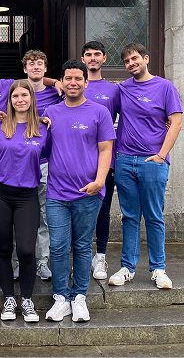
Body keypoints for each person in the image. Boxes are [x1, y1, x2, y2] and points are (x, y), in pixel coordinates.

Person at [44, 60, 115, 323]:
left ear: (86, 82)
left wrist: (99, 181)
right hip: (57, 194)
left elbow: (106, 149)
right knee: (59, 246)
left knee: (83, 246)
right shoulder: (51, 111)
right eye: (68, 78)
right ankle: (61, 297)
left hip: (88, 192)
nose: (73, 83)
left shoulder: (99, 112)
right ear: (61, 82)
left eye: (78, 78)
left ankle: (80, 297)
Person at [109, 43, 182, 289]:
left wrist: (161, 155)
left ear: (146, 58)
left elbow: (176, 122)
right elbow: (102, 111)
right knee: (129, 216)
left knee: (153, 216)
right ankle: (127, 267)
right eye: (127, 61)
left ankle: (158, 268)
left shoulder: (165, 87)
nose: (131, 63)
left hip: (153, 161)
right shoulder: (122, 90)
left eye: (135, 58)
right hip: (126, 160)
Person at [0, 80, 50, 323]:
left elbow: (50, 155)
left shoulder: (44, 128)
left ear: (31, 99)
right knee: (3, 248)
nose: (20, 99)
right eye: (16, 96)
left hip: (27, 195)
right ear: (10, 100)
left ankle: (26, 298)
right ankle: (8, 298)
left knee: (26, 249)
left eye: (25, 95)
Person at [80, 41, 120, 280]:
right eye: (88, 55)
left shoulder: (114, 90)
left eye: (97, 54)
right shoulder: (71, 85)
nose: (92, 58)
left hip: (106, 161)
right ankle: (80, 255)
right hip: (77, 161)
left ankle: (101, 255)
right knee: (77, 211)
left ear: (104, 58)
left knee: (102, 210)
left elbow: (131, 117)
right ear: (82, 59)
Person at [22, 49, 61, 282]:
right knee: (22, 215)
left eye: (40, 63)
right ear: (25, 68)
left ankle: (42, 261)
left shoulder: (57, 93)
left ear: (45, 68)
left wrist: (56, 82)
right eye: (31, 64)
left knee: (45, 215)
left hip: (46, 162)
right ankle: (20, 261)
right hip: (20, 164)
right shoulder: (15, 91)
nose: (36, 67)